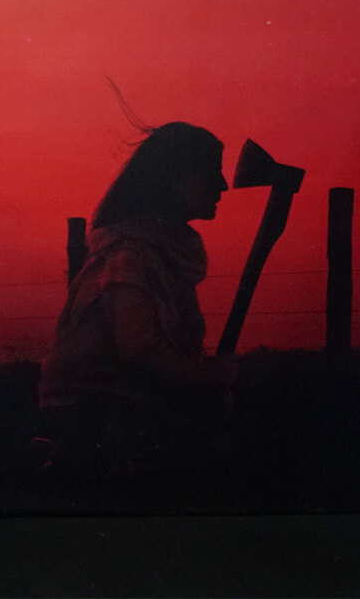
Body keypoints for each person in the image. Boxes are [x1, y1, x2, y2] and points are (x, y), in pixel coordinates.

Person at [36, 121, 238, 479]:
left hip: (120, 396)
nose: (223, 185)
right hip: (92, 402)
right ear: (173, 178)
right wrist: (210, 375)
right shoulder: (131, 254)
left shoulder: (162, 248)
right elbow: (139, 348)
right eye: (210, 173)